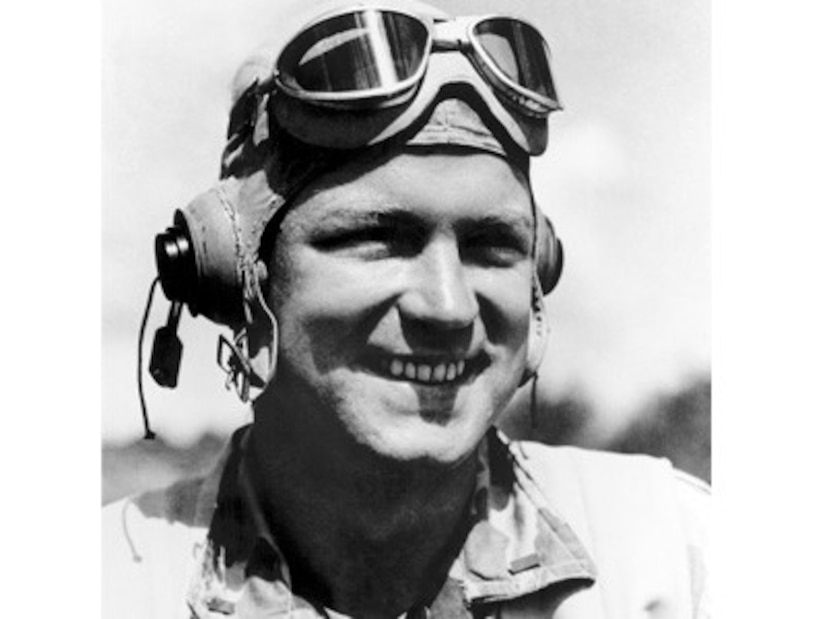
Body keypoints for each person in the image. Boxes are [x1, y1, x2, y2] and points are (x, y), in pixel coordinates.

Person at [103, 1, 710, 617]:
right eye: (378, 239)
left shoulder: (677, 559)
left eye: (490, 246)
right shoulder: (99, 586)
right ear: (234, 275)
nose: (448, 308)